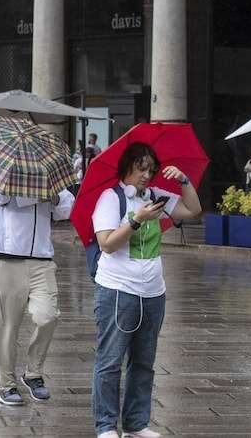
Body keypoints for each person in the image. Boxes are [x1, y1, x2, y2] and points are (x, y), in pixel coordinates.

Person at [91, 142, 201, 438]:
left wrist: (183, 180)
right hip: (117, 291)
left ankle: (136, 424)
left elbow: (193, 210)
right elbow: (107, 244)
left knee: (144, 362)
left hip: (153, 293)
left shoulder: (156, 197)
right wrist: (136, 220)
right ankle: (105, 426)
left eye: (151, 169)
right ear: (127, 166)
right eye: (141, 168)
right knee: (111, 360)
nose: (146, 175)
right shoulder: (110, 199)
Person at [0, 183, 75, 406]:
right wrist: (36, 194)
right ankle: (6, 384)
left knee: (48, 316)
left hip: (42, 258)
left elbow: (67, 207)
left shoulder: (46, 172)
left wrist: (51, 197)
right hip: (6, 257)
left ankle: (33, 373)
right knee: (6, 327)